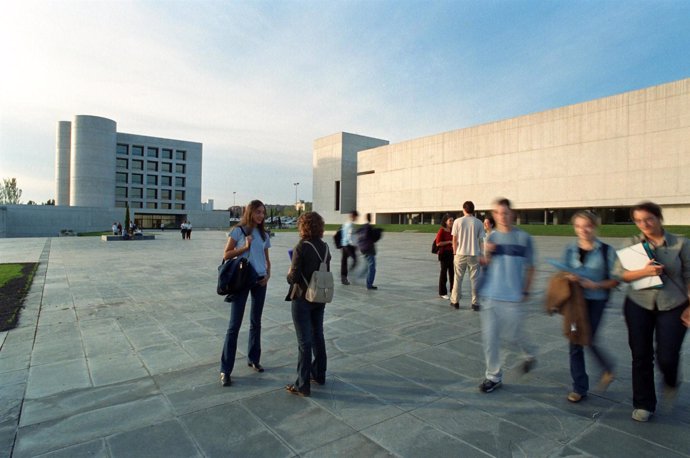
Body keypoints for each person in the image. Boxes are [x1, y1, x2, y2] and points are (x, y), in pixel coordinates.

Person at [613, 201, 690, 422]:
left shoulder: (681, 243)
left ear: (659, 218)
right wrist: (643, 272)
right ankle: (644, 403)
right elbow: (620, 275)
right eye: (638, 220)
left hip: (673, 304)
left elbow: (689, 276)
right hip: (639, 304)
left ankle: (671, 377)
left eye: (648, 219)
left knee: (667, 355)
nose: (644, 224)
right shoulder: (631, 244)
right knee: (640, 356)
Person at [478, 197, 537, 393]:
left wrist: (526, 290)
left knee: (514, 335)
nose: (502, 216)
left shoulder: (524, 238)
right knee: (490, 338)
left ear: (512, 214)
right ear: (494, 215)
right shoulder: (491, 237)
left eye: (505, 213)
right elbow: (487, 263)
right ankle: (493, 376)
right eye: (498, 213)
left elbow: (531, 267)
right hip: (491, 295)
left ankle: (529, 353)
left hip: (513, 296)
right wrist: (486, 256)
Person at [560, 210, 618, 403]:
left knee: (589, 336)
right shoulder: (569, 249)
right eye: (578, 226)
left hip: (596, 300)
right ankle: (579, 387)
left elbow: (616, 280)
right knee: (575, 341)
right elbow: (563, 272)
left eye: (587, 225)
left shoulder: (606, 250)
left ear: (594, 226)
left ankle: (607, 367)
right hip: (575, 302)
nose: (583, 230)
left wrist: (596, 284)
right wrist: (568, 276)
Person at [219, 200, 272, 387]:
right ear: (250, 212)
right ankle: (225, 369)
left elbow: (267, 259)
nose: (261, 216)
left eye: (263, 213)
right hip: (242, 281)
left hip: (259, 280)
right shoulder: (238, 231)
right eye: (258, 212)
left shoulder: (264, 234)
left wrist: (268, 275)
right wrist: (245, 247)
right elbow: (226, 255)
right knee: (234, 325)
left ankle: (254, 358)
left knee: (256, 321)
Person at [285, 212, 331, 396]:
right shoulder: (325, 247)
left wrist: (289, 272)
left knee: (304, 342)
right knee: (317, 335)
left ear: (303, 227)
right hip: (319, 297)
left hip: (302, 297)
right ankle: (319, 374)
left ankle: (302, 384)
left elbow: (293, 278)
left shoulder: (301, 247)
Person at [450, 201, 485, 311]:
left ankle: (455, 301)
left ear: (464, 209)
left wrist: (455, 252)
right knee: (474, 280)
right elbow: (481, 240)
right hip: (474, 254)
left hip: (460, 253)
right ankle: (475, 303)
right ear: (473, 210)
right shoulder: (479, 222)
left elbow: (454, 239)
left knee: (457, 278)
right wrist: (482, 254)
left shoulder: (457, 221)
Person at [357, 213, 381, 290]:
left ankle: (360, 277)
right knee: (372, 267)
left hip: (363, 249)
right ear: (370, 218)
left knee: (367, 266)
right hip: (369, 249)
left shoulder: (363, 227)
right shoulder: (369, 227)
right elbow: (373, 238)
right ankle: (369, 284)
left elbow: (359, 236)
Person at [435, 214, 454, 299]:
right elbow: (438, 243)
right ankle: (442, 292)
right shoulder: (441, 230)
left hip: (452, 253)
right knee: (444, 273)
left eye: (452, 220)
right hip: (444, 253)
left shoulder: (452, 230)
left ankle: (453, 290)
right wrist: (449, 242)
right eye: (450, 220)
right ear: (445, 221)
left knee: (452, 273)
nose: (452, 222)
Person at [340, 210, 359, 285]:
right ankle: (349, 274)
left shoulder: (345, 224)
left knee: (344, 262)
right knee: (355, 260)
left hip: (343, 245)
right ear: (353, 216)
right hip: (349, 245)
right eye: (356, 217)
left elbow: (341, 234)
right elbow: (350, 236)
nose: (356, 218)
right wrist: (355, 245)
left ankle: (343, 278)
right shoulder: (351, 225)